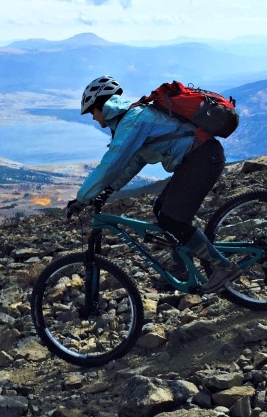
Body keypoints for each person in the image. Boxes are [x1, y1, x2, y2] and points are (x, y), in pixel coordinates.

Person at [65, 75, 240, 293]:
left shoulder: (134, 119)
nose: (93, 118)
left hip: (202, 159)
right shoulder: (133, 119)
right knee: (161, 210)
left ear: (102, 105)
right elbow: (135, 161)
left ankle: (222, 266)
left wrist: (83, 198)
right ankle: (180, 269)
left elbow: (112, 162)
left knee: (172, 219)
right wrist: (108, 190)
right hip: (199, 159)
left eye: (92, 111)